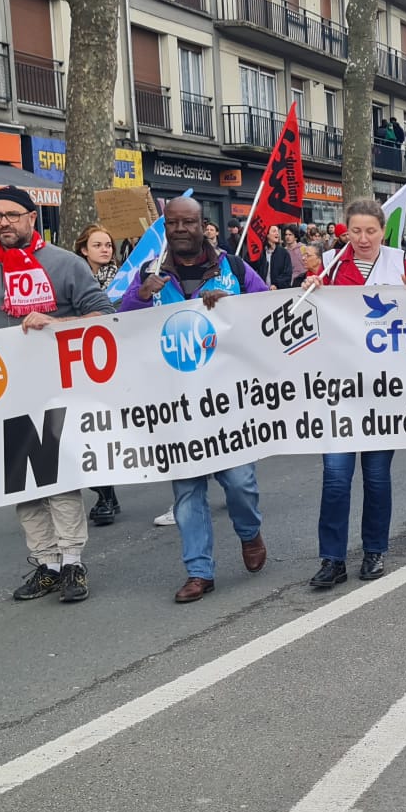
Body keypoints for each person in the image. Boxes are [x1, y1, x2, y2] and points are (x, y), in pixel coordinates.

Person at [0, 187, 116, 604]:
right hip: (2, 395)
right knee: (21, 485)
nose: (4, 223)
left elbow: (105, 316)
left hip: (55, 391)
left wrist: (58, 324)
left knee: (59, 479)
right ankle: (45, 565)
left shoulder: (65, 263)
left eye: (12, 215)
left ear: (32, 218)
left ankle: (72, 562)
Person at [117, 196, 271, 603]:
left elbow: (269, 307)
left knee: (240, 482)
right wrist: (138, 298)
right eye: (174, 223)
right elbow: (121, 327)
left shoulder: (232, 269)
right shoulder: (148, 274)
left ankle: (249, 532)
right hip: (175, 405)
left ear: (204, 225)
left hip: (229, 401)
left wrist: (234, 307)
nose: (182, 229)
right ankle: (199, 571)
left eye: (190, 222)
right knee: (187, 491)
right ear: (164, 227)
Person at [302, 199, 406, 589]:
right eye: (355, 231)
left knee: (376, 477)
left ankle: (374, 550)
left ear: (382, 230)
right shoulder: (332, 265)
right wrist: (310, 289)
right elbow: (307, 312)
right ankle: (332, 559)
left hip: (383, 393)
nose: (363, 238)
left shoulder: (399, 261)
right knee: (336, 479)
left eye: (370, 231)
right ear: (345, 231)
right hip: (339, 391)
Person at [70, 224, 127, 528]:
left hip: (114, 360)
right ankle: (105, 493)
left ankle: (106, 492)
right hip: (80, 362)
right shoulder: (71, 278)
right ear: (83, 249)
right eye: (98, 245)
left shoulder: (122, 279)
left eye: (108, 245)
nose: (105, 249)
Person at [263, 224, 295, 291]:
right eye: (274, 231)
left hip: (278, 291)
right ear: (267, 235)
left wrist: (276, 285)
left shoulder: (284, 253)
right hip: (262, 291)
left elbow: (287, 274)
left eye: (277, 231)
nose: (277, 233)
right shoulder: (261, 252)